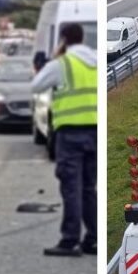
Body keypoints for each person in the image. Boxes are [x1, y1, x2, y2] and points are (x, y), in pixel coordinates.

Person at [31, 24, 97, 257]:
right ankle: (93, 238)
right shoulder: (96, 60)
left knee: (71, 187)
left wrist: (54, 57)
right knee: (89, 187)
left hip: (70, 133)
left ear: (63, 40)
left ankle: (70, 240)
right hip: (95, 131)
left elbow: (36, 85)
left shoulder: (62, 64)